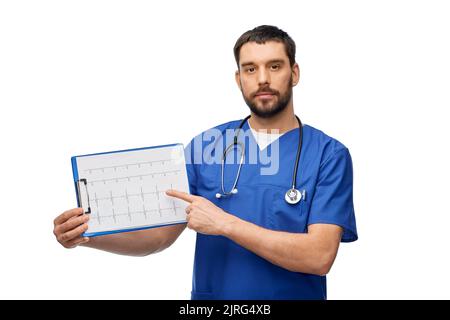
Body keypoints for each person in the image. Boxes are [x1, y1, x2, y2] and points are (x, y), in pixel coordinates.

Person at [53, 25, 357, 300]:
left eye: (274, 66)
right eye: (250, 69)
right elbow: (158, 236)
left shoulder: (328, 155)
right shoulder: (206, 147)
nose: (262, 79)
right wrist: (88, 236)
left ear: (294, 73)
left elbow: (319, 257)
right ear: (239, 79)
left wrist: (225, 224)